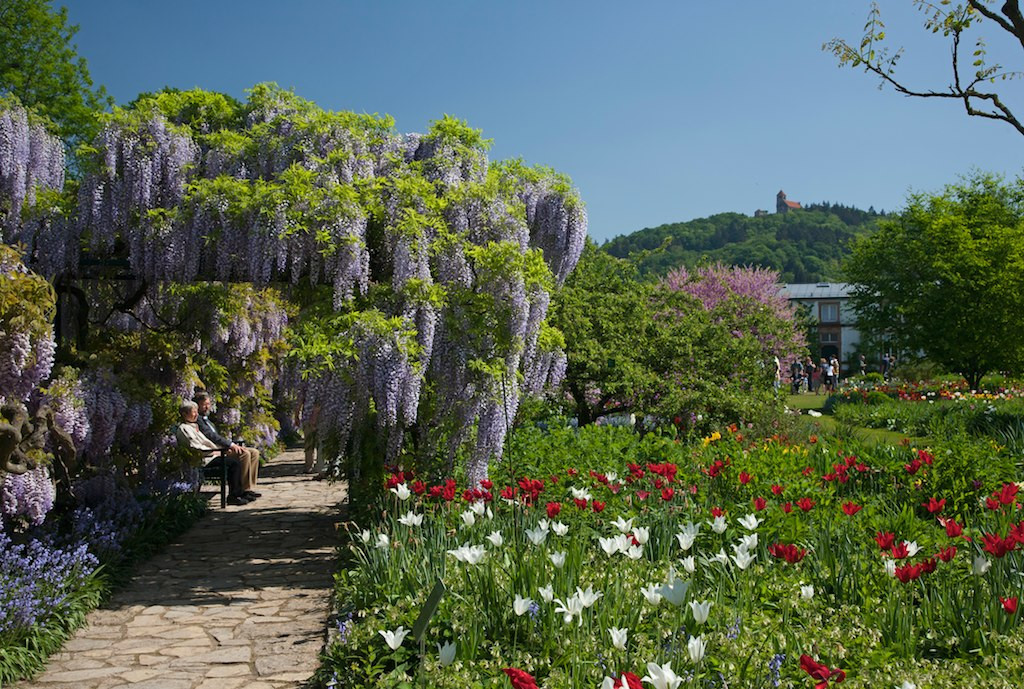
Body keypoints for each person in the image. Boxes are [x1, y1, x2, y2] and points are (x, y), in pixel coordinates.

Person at [175, 400, 250, 505]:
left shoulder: (193, 426)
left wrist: (220, 450)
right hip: (202, 460)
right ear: (184, 414)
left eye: (196, 411)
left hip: (209, 456)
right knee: (233, 464)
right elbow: (195, 447)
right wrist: (215, 452)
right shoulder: (184, 428)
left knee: (235, 461)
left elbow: (206, 443)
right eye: (193, 412)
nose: (196, 414)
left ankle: (240, 493)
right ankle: (234, 496)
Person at [193, 391, 262, 499]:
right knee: (244, 454)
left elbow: (216, 437)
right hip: (213, 452)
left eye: (208, 404)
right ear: (197, 406)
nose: (207, 407)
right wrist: (230, 445)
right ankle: (241, 490)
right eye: (204, 404)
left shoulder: (208, 421)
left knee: (254, 452)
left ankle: (248, 488)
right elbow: (211, 436)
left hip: (221, 449)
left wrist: (229, 445)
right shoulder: (198, 420)